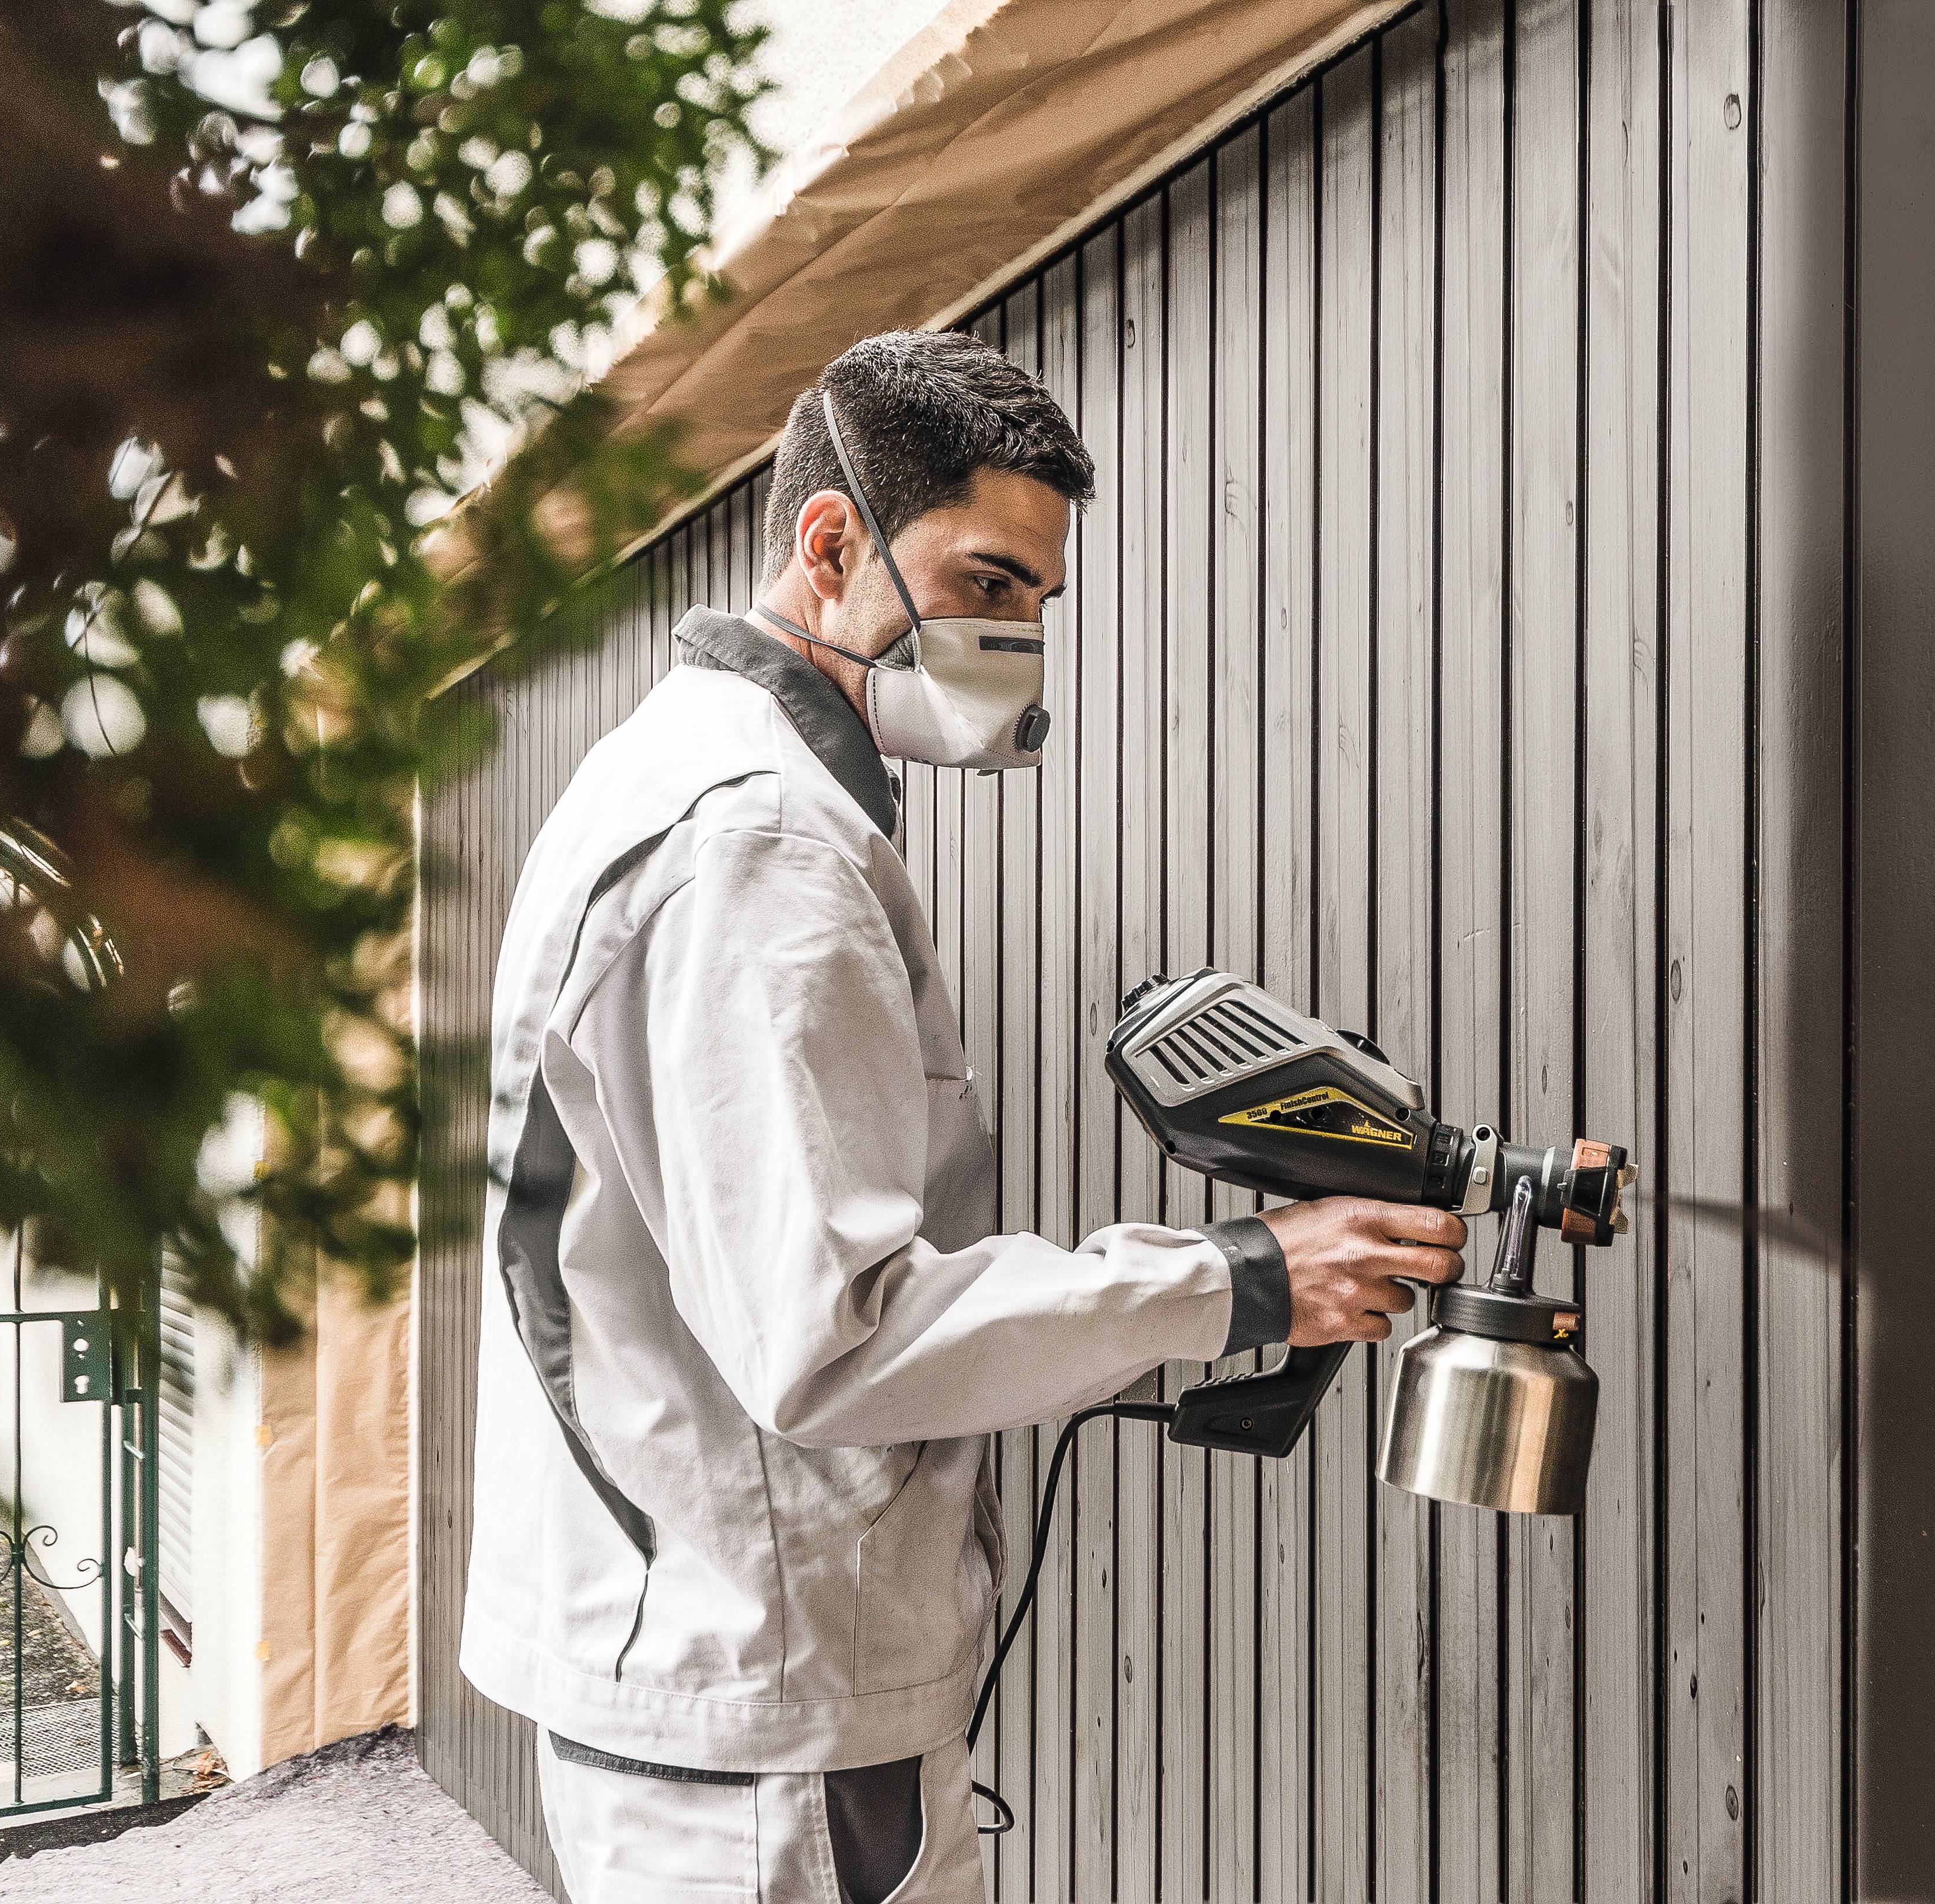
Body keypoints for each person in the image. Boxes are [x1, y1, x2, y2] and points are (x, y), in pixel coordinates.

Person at [459, 331, 1464, 1904]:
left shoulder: (682, 773)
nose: (1020, 637)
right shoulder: (760, 847)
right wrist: (1247, 1279)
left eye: (1042, 604)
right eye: (990, 583)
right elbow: (836, 1336)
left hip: (699, 1644)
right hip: (763, 1712)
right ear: (832, 543)